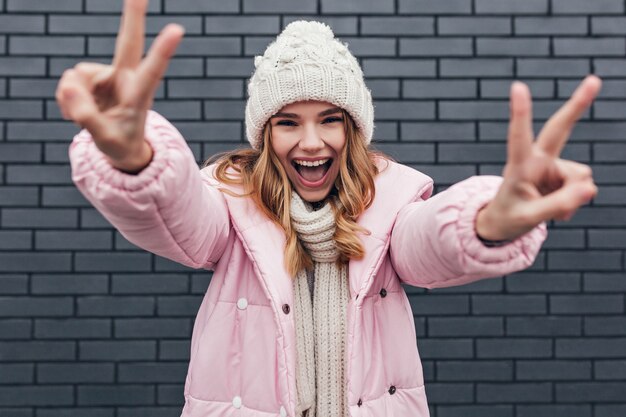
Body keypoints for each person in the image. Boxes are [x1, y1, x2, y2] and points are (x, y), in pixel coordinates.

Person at [55, 0, 600, 416]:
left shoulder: (393, 202)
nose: (311, 143)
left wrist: (489, 222)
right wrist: (133, 158)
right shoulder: (231, 207)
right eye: (288, 122)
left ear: (354, 130)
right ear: (264, 137)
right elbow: (175, 213)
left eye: (330, 119)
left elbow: (426, 242)